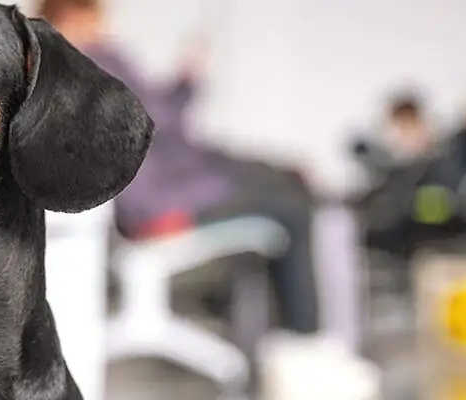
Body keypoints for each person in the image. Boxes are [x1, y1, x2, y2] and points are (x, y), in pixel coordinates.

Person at [40, 0, 320, 335]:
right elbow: (160, 117)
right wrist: (188, 76)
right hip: (158, 206)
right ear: (72, 16)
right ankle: (305, 340)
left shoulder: (61, 68)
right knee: (293, 206)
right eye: (97, 19)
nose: (104, 28)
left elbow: (159, 117)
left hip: (166, 189)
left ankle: (290, 333)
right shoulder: (96, 61)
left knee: (284, 185)